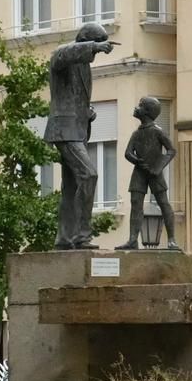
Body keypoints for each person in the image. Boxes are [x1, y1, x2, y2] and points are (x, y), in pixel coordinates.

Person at [45, 22, 117, 249]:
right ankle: (81, 236)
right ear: (85, 41)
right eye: (96, 42)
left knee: (71, 187)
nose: (96, 52)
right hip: (64, 131)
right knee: (89, 175)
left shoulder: (84, 67)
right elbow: (61, 55)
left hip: (77, 129)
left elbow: (74, 98)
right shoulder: (63, 57)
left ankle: (65, 239)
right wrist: (94, 47)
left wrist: (87, 113)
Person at [117, 96, 179, 250]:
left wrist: (158, 167)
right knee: (136, 203)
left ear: (147, 111)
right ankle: (132, 239)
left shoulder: (158, 131)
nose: (136, 108)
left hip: (154, 172)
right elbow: (127, 153)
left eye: (140, 106)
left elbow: (171, 150)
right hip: (139, 172)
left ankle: (171, 239)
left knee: (163, 203)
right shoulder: (136, 133)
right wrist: (137, 161)